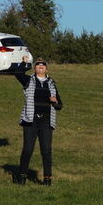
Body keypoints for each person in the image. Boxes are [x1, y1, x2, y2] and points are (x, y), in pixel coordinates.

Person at [15, 54, 63, 185]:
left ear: (46, 69)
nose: (40, 66)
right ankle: (22, 177)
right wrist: (24, 63)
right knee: (27, 150)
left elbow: (59, 106)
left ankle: (47, 179)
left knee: (46, 151)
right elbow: (18, 73)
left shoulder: (51, 84)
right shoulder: (28, 80)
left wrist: (55, 101)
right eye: (38, 65)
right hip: (30, 121)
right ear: (34, 69)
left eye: (43, 65)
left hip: (46, 121)